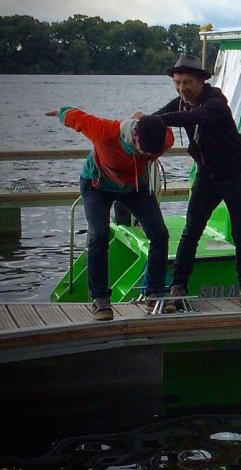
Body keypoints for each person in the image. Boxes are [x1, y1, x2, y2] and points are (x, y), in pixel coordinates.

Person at [141, 54, 241, 307]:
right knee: (191, 232)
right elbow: (159, 116)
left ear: (200, 82)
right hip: (207, 176)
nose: (182, 88)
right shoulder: (180, 103)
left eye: (187, 82)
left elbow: (194, 118)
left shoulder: (216, 102)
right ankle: (178, 285)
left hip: (236, 174)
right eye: (177, 83)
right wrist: (139, 125)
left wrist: (157, 121)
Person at [45, 107, 173, 321]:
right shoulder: (105, 131)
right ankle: (100, 299)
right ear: (134, 135)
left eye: (154, 152)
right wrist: (59, 112)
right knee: (99, 235)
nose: (149, 155)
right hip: (97, 185)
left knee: (160, 234)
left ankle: (155, 293)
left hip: (133, 186)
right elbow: (76, 117)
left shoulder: (165, 138)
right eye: (145, 151)